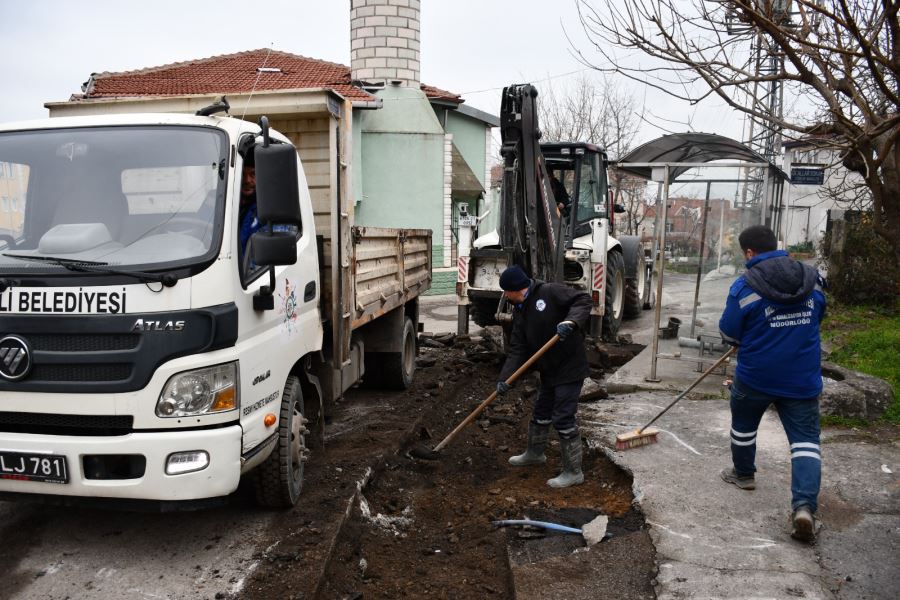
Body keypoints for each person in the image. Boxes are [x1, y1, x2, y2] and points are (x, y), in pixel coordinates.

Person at [718, 225, 827, 543]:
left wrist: (749, 336)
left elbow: (729, 332)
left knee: (743, 423)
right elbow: (819, 314)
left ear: (749, 253)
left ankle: (744, 475)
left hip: (756, 376)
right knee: (805, 441)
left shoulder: (744, 286)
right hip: (802, 377)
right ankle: (804, 507)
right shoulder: (813, 279)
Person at [495, 264, 592, 488]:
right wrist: (505, 379)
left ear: (516, 289)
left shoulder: (549, 292)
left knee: (563, 417)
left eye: (506, 292)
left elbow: (583, 300)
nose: (505, 296)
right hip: (549, 370)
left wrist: (571, 322)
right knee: (541, 412)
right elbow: (518, 347)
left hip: (569, 367)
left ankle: (574, 472)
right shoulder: (520, 310)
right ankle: (535, 454)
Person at [238, 153, 259, 259]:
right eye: (242, 174)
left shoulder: (266, 210)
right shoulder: (219, 200)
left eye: (253, 174)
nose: (247, 180)